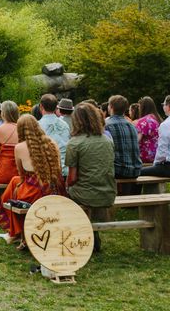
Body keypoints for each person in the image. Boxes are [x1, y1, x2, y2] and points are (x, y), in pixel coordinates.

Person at [0, 115, 65, 239]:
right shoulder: (52, 142)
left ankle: (14, 231)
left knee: (14, 184)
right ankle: (14, 231)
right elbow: (58, 168)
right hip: (56, 188)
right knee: (14, 182)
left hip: (35, 192)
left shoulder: (20, 147)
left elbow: (22, 175)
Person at [65, 103, 116, 252]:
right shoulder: (107, 140)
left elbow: (72, 178)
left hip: (85, 194)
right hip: (108, 193)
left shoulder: (74, 143)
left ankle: (79, 237)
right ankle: (92, 235)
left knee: (64, 194)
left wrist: (66, 186)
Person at [105, 95, 141, 183]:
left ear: (111, 107)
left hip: (118, 170)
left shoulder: (106, 125)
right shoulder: (132, 125)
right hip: (136, 170)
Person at [38, 94, 70, 177]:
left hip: (45, 172)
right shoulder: (65, 125)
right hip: (64, 170)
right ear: (56, 107)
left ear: (41, 106)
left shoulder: (37, 126)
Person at [141, 95, 170, 177]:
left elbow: (162, 151)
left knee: (137, 172)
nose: (163, 107)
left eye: (164, 104)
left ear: (168, 107)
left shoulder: (166, 125)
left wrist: (156, 163)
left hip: (167, 167)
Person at [135, 96, 161, 163]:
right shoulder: (158, 119)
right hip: (158, 155)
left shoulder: (143, 121)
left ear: (142, 107)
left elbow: (136, 140)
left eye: (139, 107)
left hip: (145, 157)